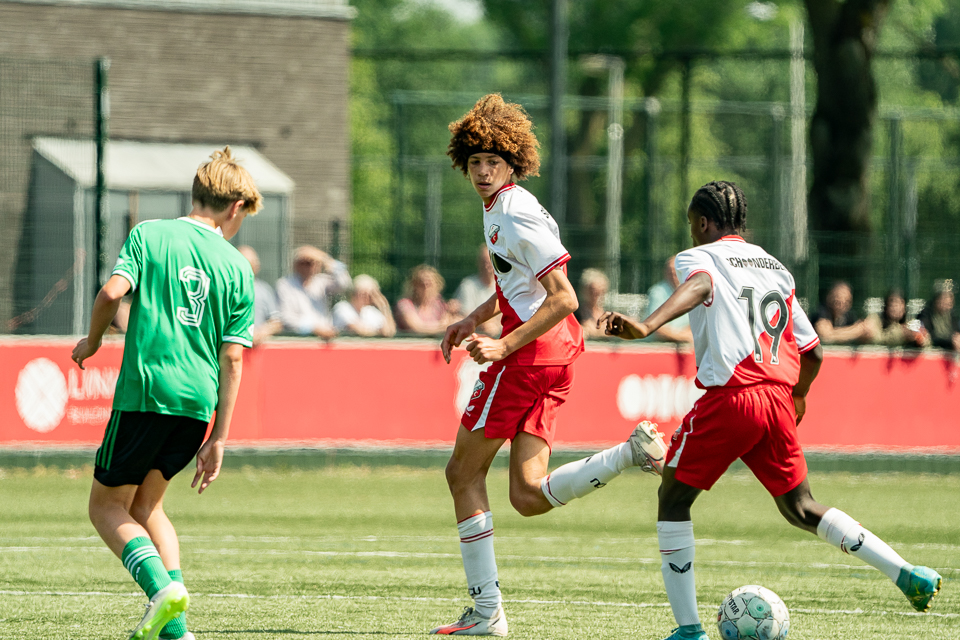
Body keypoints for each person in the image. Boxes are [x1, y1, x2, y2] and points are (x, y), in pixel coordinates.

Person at [599, 181, 942, 640]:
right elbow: (813, 351)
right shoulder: (774, 267)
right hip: (778, 396)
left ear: (702, 223)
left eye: (691, 226)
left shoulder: (697, 257)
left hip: (733, 396)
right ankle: (906, 573)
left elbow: (701, 285)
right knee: (801, 506)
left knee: (673, 499)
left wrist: (645, 324)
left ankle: (689, 630)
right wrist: (797, 396)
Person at [432, 93, 667, 637]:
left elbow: (564, 298)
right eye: (475, 163)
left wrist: (502, 346)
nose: (483, 171)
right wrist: (473, 319)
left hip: (532, 356)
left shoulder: (512, 210)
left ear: (513, 162)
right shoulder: (507, 208)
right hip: (558, 354)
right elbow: (520, 284)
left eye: (493, 161)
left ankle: (486, 613)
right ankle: (625, 455)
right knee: (527, 494)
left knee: (461, 473)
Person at [71, 147, 263, 640]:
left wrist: (92, 341)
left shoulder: (150, 234)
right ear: (235, 206)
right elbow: (234, 357)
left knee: (105, 507)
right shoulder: (238, 267)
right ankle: (177, 630)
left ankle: (163, 592)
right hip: (197, 403)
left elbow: (113, 292)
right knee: (147, 508)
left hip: (145, 394)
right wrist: (219, 437)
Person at [276, 245, 351, 339]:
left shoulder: (321, 282)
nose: (307, 266)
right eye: (303, 262)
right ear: (295, 265)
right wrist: (313, 328)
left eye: (311, 263)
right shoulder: (285, 284)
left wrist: (325, 259)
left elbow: (344, 284)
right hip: (298, 338)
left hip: (323, 338)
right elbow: (286, 317)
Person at [395, 264, 461, 335]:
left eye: (429, 284)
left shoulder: (441, 305)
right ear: (414, 286)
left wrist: (451, 313)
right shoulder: (405, 304)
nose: (426, 288)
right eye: (421, 284)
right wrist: (444, 326)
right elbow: (417, 328)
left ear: (437, 285)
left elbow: (458, 323)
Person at [238, 245, 283, 346]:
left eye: (252, 263)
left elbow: (276, 322)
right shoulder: (225, 289)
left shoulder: (264, 290)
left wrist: (262, 332)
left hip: (256, 350)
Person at [809, 280, 877, 345]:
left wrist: (862, 330)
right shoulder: (822, 312)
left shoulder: (849, 315)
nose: (842, 302)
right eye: (838, 298)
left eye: (846, 300)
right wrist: (856, 331)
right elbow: (825, 335)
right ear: (829, 297)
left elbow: (868, 334)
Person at [644, 256, 693, 344]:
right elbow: (655, 327)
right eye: (670, 271)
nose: (673, 274)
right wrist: (681, 336)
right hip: (658, 345)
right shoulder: (657, 292)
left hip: (686, 345)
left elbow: (696, 323)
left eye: (676, 271)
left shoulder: (692, 291)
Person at [456, 245, 501, 336]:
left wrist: (496, 326)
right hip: (473, 334)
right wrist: (484, 324)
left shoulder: (503, 286)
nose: (486, 266)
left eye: (489, 262)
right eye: (483, 262)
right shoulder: (468, 285)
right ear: (478, 263)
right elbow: (465, 313)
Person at [332, 274, 397, 337]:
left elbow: (389, 332)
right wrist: (379, 333)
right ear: (354, 293)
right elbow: (360, 330)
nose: (367, 297)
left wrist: (384, 307)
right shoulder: (343, 308)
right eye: (364, 294)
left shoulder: (371, 311)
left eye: (370, 294)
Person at [918, 279, 960, 351]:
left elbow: (956, 333)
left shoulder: (952, 316)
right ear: (937, 299)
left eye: (951, 297)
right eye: (946, 297)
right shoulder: (925, 315)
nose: (949, 301)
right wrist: (950, 341)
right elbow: (930, 337)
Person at [574, 268, 609, 339]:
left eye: (601, 291)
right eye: (593, 290)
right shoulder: (575, 314)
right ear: (584, 290)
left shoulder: (609, 313)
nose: (596, 295)